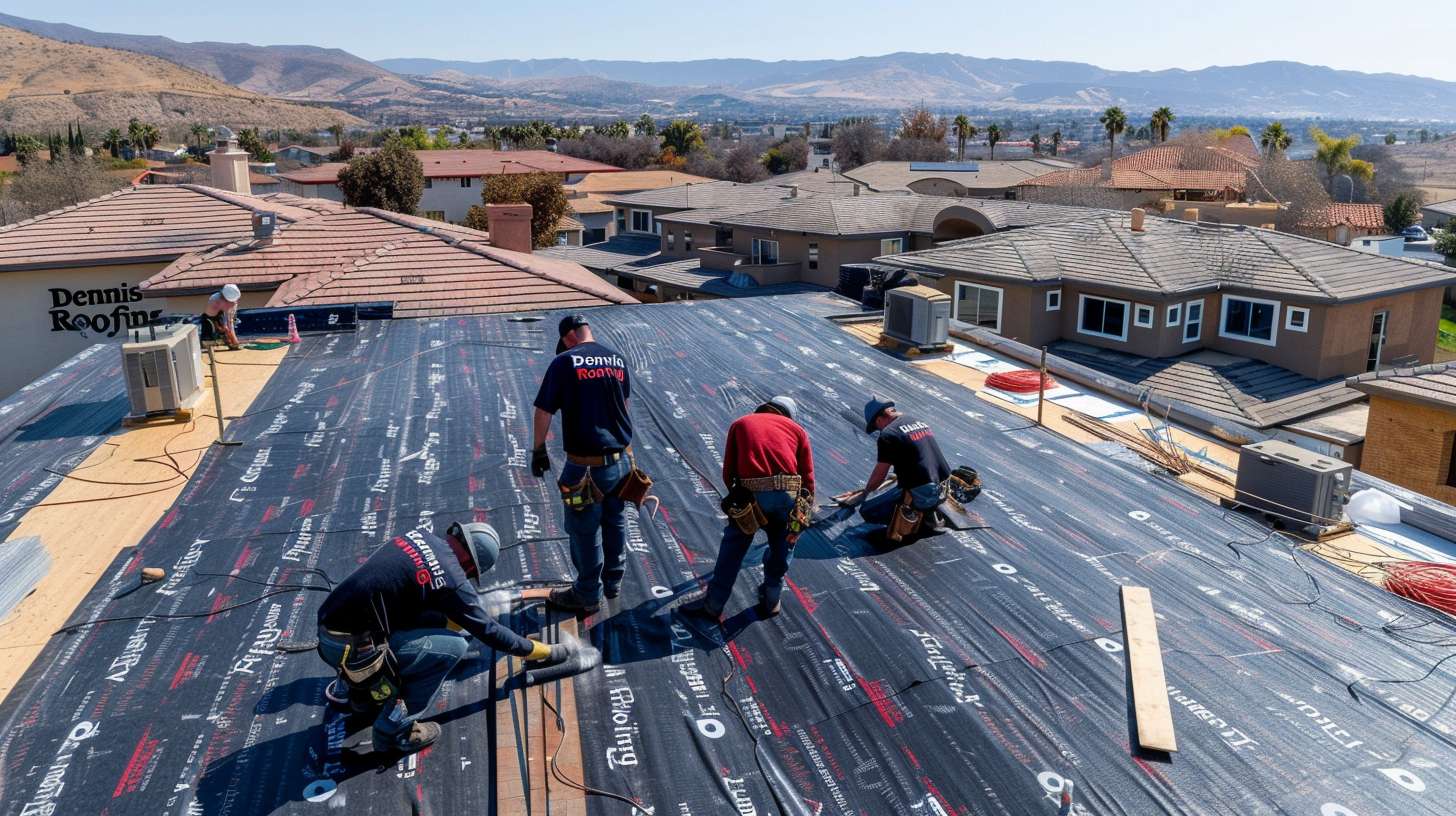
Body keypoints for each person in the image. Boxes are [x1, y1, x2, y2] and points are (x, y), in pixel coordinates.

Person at [316, 521, 572, 754]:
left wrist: (465, 612)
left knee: (433, 618)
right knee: (453, 646)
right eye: (472, 574)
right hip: (354, 653)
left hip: (330, 633)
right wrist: (541, 651)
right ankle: (394, 730)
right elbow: (490, 632)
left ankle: (357, 695)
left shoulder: (419, 536)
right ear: (472, 565)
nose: (469, 578)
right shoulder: (452, 578)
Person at [531, 314, 633, 615]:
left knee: (584, 529)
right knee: (614, 520)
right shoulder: (617, 359)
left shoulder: (565, 362)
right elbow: (624, 409)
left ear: (567, 337)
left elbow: (543, 411)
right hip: (619, 463)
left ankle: (587, 593)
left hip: (584, 467)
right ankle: (612, 581)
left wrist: (538, 450)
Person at [682, 396, 814, 623]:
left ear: (764, 407)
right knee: (784, 547)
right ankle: (772, 601)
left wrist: (738, 496)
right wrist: (804, 509)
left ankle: (713, 605)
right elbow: (808, 477)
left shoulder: (742, 423)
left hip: (752, 496)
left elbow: (729, 471)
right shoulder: (797, 430)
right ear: (788, 415)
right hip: (787, 496)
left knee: (733, 549)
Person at [837, 397, 951, 538]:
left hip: (926, 493)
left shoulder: (888, 434)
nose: (879, 430)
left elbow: (880, 474)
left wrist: (864, 493)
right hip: (945, 486)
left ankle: (922, 516)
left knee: (869, 511)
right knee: (904, 485)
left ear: (878, 420)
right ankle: (930, 506)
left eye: (877, 427)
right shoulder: (914, 420)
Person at [201, 283, 242, 350]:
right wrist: (234, 341)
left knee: (227, 326)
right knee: (214, 331)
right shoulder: (215, 301)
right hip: (211, 319)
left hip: (216, 317)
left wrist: (234, 340)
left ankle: (228, 341)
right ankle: (209, 341)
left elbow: (230, 321)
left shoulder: (231, 301)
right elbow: (227, 325)